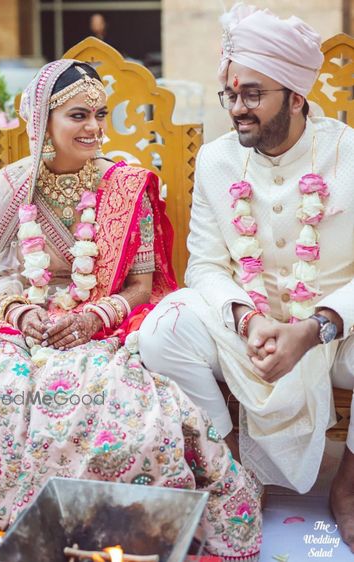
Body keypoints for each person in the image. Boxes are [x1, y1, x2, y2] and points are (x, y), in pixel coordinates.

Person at [0, 59, 261, 560]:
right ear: (43, 122)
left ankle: (113, 532)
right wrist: (21, 312)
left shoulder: (126, 185)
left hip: (103, 322)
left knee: (120, 410)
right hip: (19, 321)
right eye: (78, 115)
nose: (94, 127)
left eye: (101, 114)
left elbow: (144, 283)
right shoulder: (13, 185)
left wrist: (94, 317)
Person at [139, 4, 354, 552]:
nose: (238, 108)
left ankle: (349, 484)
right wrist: (245, 316)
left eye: (253, 94)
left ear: (298, 97)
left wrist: (319, 326)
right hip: (248, 328)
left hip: (337, 330)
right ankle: (232, 467)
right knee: (162, 331)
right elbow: (206, 266)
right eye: (231, 95)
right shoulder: (215, 161)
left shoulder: (350, 155)